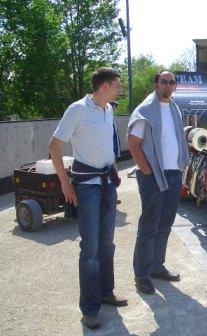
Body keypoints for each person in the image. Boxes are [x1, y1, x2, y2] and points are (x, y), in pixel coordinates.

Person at [48, 68, 127, 330]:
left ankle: (106, 292)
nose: (119, 90)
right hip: (88, 188)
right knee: (90, 250)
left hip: (107, 185)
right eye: (117, 86)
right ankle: (90, 309)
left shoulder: (108, 109)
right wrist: (65, 183)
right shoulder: (78, 109)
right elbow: (54, 146)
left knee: (107, 244)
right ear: (105, 86)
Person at [127, 70, 189, 294]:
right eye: (164, 82)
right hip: (154, 176)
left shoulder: (174, 109)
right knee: (149, 226)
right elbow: (133, 144)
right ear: (156, 84)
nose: (168, 86)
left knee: (165, 224)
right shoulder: (145, 110)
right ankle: (141, 274)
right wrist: (147, 171)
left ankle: (156, 266)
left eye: (172, 82)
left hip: (173, 174)